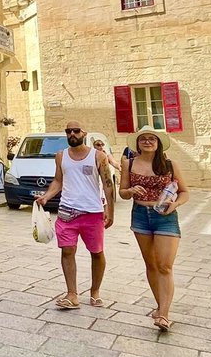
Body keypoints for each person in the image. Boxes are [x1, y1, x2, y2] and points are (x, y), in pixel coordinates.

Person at [35, 121, 115, 310]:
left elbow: (107, 184)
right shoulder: (61, 156)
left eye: (76, 131)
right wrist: (46, 197)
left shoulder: (98, 156)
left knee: (96, 253)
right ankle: (72, 295)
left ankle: (95, 291)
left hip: (92, 213)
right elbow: (58, 180)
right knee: (67, 251)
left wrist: (110, 210)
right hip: (66, 212)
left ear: (83, 133)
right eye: (68, 131)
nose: (72, 133)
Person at [120, 130, 189, 332]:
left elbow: (185, 192)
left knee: (164, 266)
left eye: (152, 139)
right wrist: (131, 191)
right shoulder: (129, 164)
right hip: (140, 215)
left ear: (158, 143)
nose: (148, 141)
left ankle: (164, 315)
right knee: (151, 264)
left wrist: (174, 205)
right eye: (143, 139)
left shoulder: (169, 165)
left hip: (165, 217)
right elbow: (122, 193)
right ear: (138, 144)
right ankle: (160, 308)